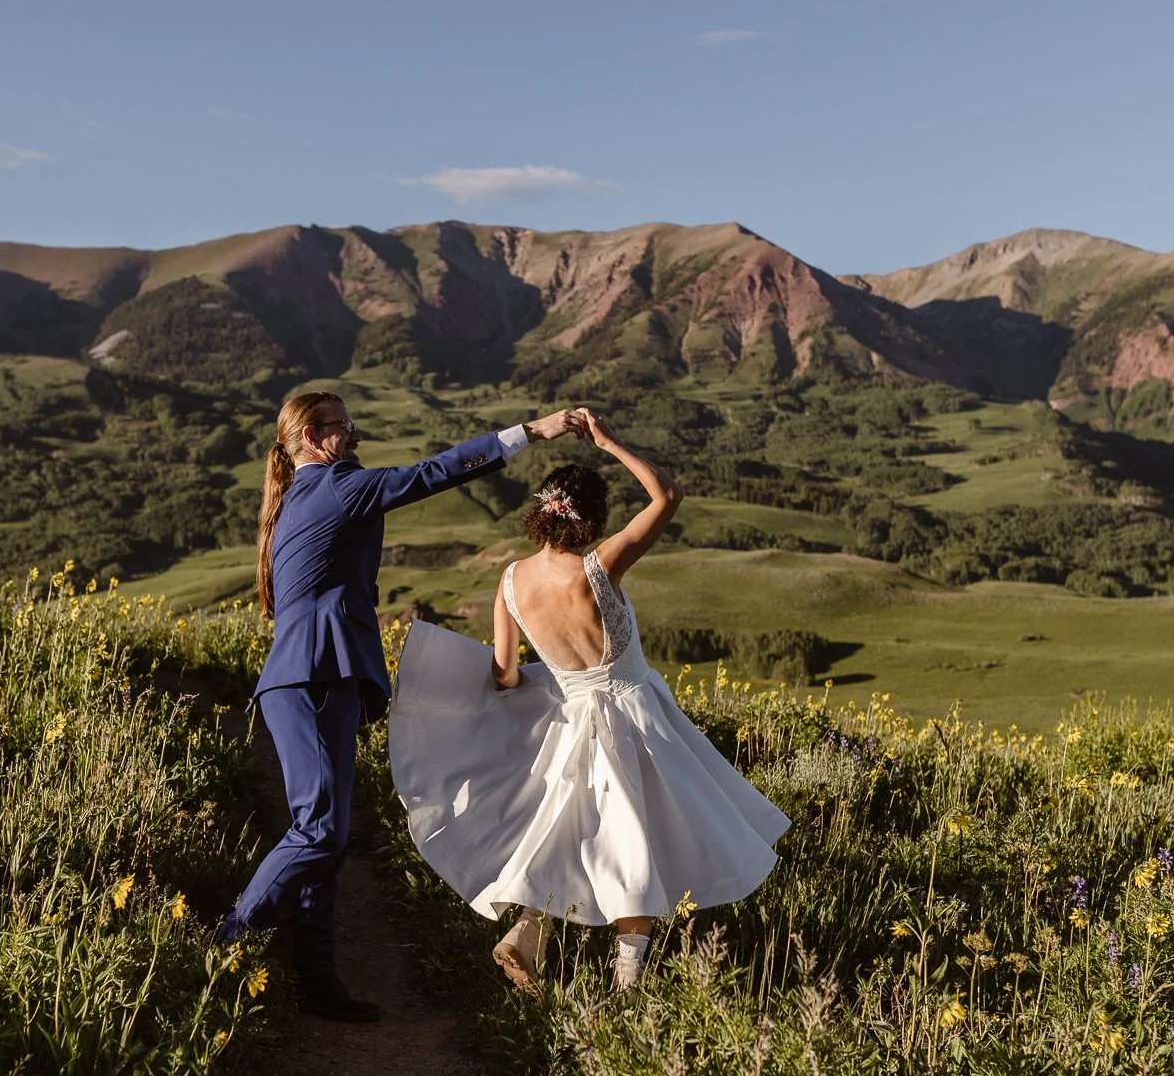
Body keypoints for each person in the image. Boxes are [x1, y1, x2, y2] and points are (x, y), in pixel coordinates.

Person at [389, 408, 788, 994]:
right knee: (638, 844)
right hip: (638, 717)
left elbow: (502, 677)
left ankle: (528, 934)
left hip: (571, 720)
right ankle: (627, 988)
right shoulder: (598, 570)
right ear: (592, 518)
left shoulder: (510, 582)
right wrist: (607, 441)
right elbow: (667, 495)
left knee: (566, 830)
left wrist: (540, 681)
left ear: (541, 511)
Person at [217, 389, 582, 1021]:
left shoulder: (310, 492)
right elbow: (435, 473)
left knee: (325, 834)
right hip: (312, 677)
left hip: (317, 678)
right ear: (308, 435)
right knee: (320, 830)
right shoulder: (335, 488)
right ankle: (227, 942)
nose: (355, 437)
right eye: (343, 427)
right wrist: (532, 433)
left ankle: (318, 980)